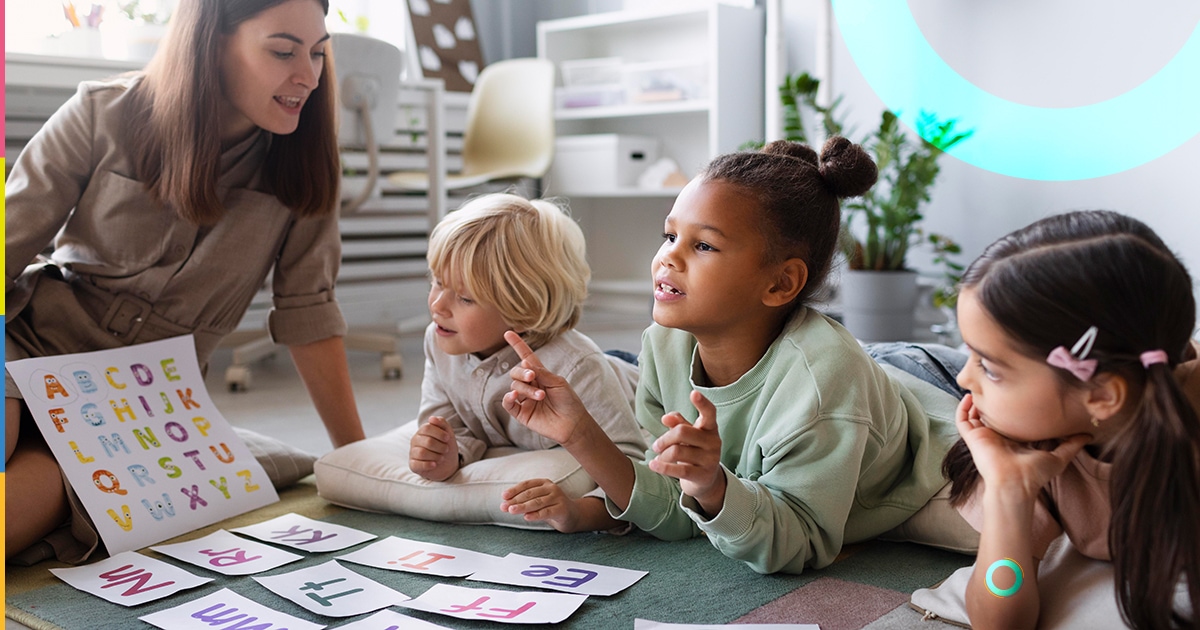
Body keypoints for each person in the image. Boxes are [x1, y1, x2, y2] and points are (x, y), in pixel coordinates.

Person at [4, 0, 365, 562]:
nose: (309, 76)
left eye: (319, 53)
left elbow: (308, 313)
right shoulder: (104, 114)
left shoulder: (303, 166)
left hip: (144, 408)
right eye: (283, 51)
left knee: (46, 494)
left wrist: (360, 462)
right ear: (212, 42)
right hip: (28, 353)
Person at [502, 138, 962, 574]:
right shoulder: (663, 343)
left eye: (703, 245)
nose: (668, 258)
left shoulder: (824, 386)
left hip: (931, 379)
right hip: (867, 368)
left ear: (781, 283)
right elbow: (673, 510)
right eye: (669, 235)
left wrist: (713, 487)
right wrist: (579, 431)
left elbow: (800, 543)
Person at [942, 210, 1199, 629]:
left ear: (1100, 394)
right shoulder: (1028, 436)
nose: (964, 377)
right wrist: (1010, 491)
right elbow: (998, 621)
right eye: (968, 353)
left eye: (988, 367)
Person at [404, 192, 646, 532]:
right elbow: (449, 424)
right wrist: (445, 456)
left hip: (636, 378)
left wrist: (578, 513)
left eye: (464, 297)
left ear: (523, 309)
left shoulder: (577, 368)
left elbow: (633, 470)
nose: (437, 306)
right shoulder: (440, 339)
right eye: (437, 282)